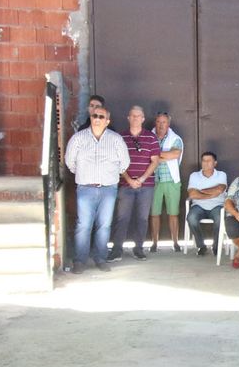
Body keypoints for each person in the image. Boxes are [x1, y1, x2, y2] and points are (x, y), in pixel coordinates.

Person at [62, 103, 128, 274]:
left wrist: (110, 176)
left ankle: (101, 259)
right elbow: (70, 162)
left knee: (104, 225)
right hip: (86, 188)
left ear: (107, 121)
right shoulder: (78, 139)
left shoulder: (115, 139)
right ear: (90, 118)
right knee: (83, 225)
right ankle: (80, 261)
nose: (97, 119)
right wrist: (85, 176)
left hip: (108, 189)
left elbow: (124, 163)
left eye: (101, 117)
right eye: (95, 116)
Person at [110, 106, 160, 261]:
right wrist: (129, 180)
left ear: (143, 119)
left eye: (139, 116)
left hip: (146, 186)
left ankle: (138, 249)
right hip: (126, 185)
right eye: (133, 116)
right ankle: (117, 250)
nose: (136, 118)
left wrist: (142, 179)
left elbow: (155, 161)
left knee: (142, 218)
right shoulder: (120, 137)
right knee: (122, 218)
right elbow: (116, 162)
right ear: (128, 118)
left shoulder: (151, 138)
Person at [147, 110, 185, 252]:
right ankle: (154, 243)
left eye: (164, 122)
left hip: (171, 181)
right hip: (153, 180)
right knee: (154, 214)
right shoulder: (149, 137)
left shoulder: (176, 139)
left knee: (173, 213)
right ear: (155, 123)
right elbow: (147, 155)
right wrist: (163, 156)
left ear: (168, 123)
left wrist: (155, 155)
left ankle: (175, 242)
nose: (161, 124)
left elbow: (174, 154)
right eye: (158, 122)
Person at [185, 151, 228, 256]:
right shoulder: (194, 175)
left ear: (215, 163)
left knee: (219, 219)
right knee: (191, 218)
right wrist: (211, 194)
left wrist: (200, 191)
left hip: (217, 206)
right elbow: (192, 194)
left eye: (209, 161)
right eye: (204, 161)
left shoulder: (221, 175)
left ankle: (216, 247)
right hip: (198, 206)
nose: (206, 163)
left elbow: (220, 189)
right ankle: (201, 246)